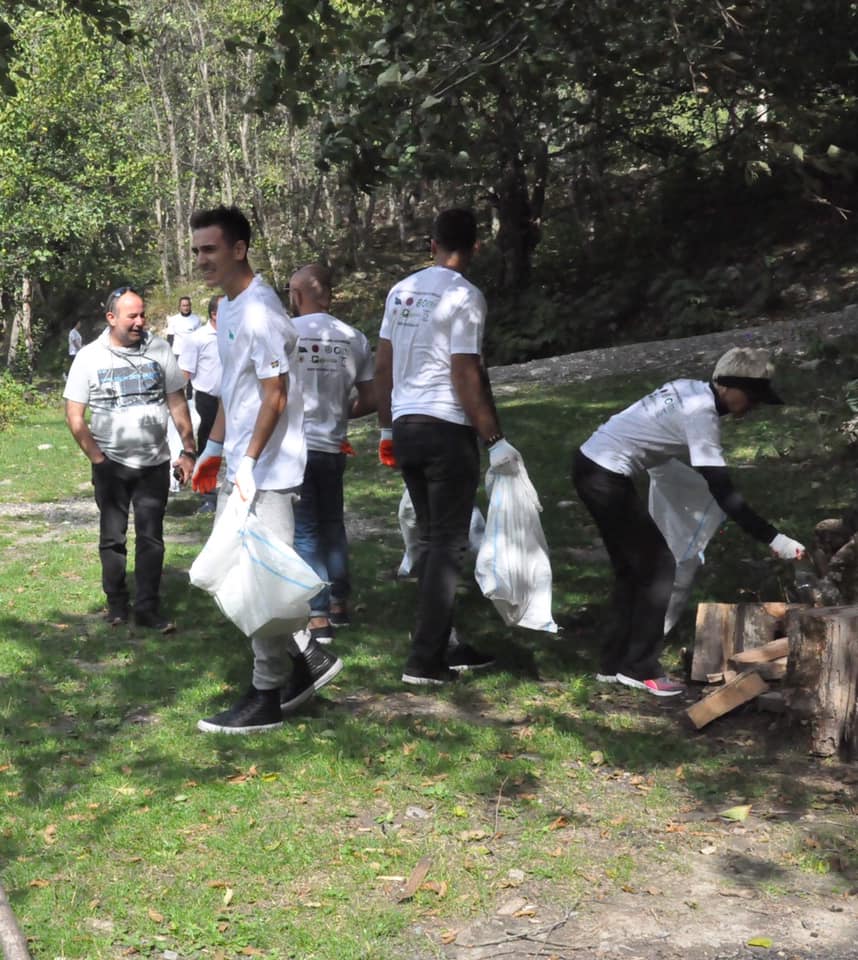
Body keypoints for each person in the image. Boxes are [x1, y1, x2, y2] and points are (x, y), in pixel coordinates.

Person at [572, 346, 807, 697]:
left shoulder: (688, 388)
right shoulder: (702, 415)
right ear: (728, 386)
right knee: (660, 567)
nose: (754, 405)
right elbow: (723, 492)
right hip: (605, 474)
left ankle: (614, 663)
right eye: (752, 395)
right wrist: (775, 539)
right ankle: (640, 668)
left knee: (632, 570)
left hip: (590, 464)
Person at [189, 205, 342, 734]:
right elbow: (237, 390)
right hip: (242, 461)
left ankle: (266, 695)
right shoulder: (229, 308)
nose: (202, 259)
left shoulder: (260, 312)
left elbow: (275, 396)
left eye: (210, 249)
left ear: (239, 249)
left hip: (271, 468)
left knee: (258, 579)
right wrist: (214, 448)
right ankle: (303, 663)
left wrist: (250, 460)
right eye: (197, 250)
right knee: (236, 574)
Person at [374, 207, 523, 686]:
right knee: (447, 545)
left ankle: (445, 644)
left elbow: (384, 364)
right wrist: (493, 438)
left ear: (430, 244)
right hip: (446, 429)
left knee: (430, 540)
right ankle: (424, 659)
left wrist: (385, 428)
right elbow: (465, 372)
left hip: (407, 425)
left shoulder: (401, 291)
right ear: (476, 247)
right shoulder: (465, 295)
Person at [63, 286, 196, 632]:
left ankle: (148, 608)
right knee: (113, 538)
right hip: (111, 465)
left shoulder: (159, 350)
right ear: (111, 318)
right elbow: (74, 415)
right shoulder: (90, 357)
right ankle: (117, 604)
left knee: (151, 538)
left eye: (142, 315)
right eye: (131, 316)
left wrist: (188, 450)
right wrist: (98, 459)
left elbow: (177, 402)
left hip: (154, 463)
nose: (139, 322)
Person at [289, 264, 375, 642]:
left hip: (297, 446)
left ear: (296, 296)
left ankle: (318, 614)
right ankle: (340, 602)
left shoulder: (286, 335)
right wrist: (342, 413)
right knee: (332, 524)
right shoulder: (353, 337)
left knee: (305, 530)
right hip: (334, 444)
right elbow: (372, 397)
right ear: (329, 294)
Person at [179, 294, 223, 513]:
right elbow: (185, 372)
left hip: (234, 400)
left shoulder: (237, 335)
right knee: (209, 447)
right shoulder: (197, 338)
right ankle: (208, 496)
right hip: (207, 398)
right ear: (214, 314)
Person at [166, 296, 202, 399]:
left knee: (190, 375)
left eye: (187, 305)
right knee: (177, 376)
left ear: (190, 306)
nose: (185, 307)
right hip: (177, 351)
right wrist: (168, 352)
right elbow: (170, 337)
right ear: (179, 307)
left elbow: (199, 336)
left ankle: (189, 396)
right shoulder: (174, 320)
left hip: (191, 352)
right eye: (183, 305)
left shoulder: (196, 319)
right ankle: (178, 396)